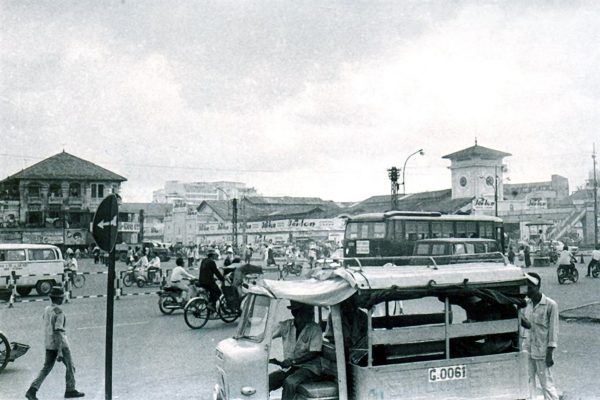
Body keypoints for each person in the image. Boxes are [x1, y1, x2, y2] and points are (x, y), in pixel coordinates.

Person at [25, 286, 85, 400]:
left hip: (48, 343)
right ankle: (70, 389)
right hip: (60, 344)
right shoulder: (59, 312)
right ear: (58, 298)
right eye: (61, 297)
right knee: (70, 366)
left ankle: (32, 390)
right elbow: (58, 331)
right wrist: (60, 352)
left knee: (46, 368)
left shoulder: (47, 309)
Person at [269, 301, 323, 400]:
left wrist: (293, 361)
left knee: (290, 382)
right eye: (306, 311)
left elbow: (314, 352)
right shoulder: (286, 326)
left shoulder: (315, 329)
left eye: (310, 311)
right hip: (291, 367)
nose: (311, 313)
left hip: (309, 368)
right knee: (268, 380)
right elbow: (267, 335)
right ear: (296, 313)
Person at [520, 272, 560, 400]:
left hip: (542, 352)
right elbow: (527, 326)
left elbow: (553, 332)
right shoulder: (526, 304)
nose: (527, 291)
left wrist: (550, 354)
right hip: (528, 349)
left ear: (538, 287)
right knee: (528, 382)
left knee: (546, 384)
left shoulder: (550, 305)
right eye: (526, 288)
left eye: (530, 288)